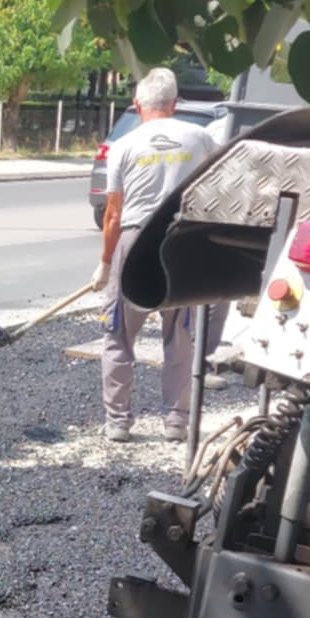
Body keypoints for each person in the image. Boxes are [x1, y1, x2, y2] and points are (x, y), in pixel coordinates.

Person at [93, 67, 220, 443]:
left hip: (135, 241)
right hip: (180, 244)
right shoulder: (200, 138)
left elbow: (113, 214)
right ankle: (176, 423)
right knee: (179, 336)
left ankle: (118, 422)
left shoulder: (123, 146)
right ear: (175, 104)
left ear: (137, 103)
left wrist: (104, 263)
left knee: (117, 333)